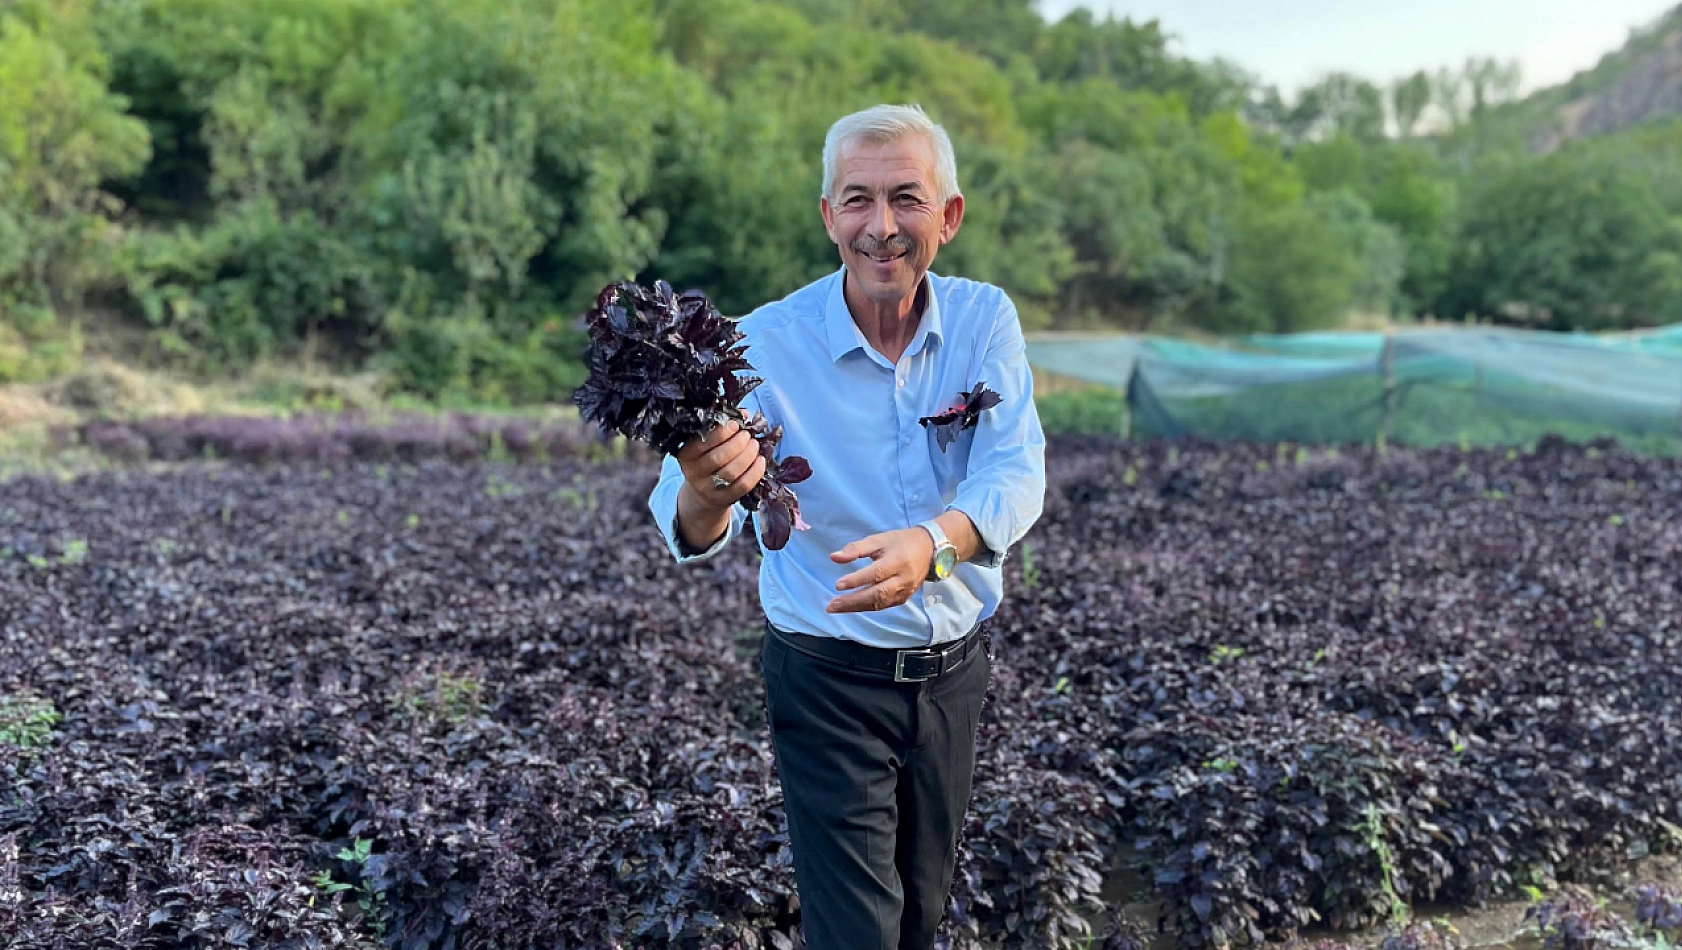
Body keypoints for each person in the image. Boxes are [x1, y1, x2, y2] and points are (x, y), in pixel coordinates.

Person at [647, 103, 1046, 950]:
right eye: (857, 200)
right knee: (855, 930)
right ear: (829, 216)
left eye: (906, 198)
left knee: (917, 916)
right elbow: (682, 521)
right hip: (826, 677)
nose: (881, 227)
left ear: (949, 215)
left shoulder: (984, 322)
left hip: (952, 675)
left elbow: (1015, 468)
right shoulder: (758, 346)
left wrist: (936, 543)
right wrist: (710, 486)